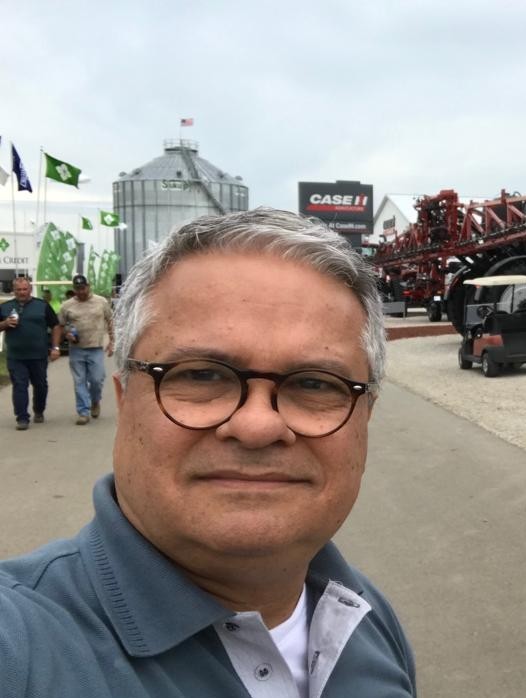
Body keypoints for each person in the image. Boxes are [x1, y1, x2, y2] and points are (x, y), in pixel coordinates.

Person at [0, 209, 416, 696]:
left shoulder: (367, 619)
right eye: (201, 375)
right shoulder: (20, 645)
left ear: (365, 417)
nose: (258, 425)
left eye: (313, 383)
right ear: (124, 398)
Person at [0, 277, 61, 430]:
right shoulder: (5, 307)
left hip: (38, 355)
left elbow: (56, 326)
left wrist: (55, 348)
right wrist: (5, 323)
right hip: (16, 356)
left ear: (30, 290)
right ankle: (22, 418)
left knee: (40, 385)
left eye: (24, 289)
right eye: (18, 290)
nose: (21, 292)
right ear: (14, 290)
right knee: (20, 386)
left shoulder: (42, 306)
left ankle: (38, 410)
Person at [57, 274, 114, 424]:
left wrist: (113, 341)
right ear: (74, 289)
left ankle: (95, 401)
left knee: (97, 379)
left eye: (83, 288)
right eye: (77, 289)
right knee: (79, 381)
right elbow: (61, 326)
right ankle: (83, 412)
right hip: (76, 349)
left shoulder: (101, 302)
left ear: (88, 286)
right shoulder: (67, 305)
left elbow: (110, 320)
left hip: (95, 347)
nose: (81, 291)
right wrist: (66, 334)